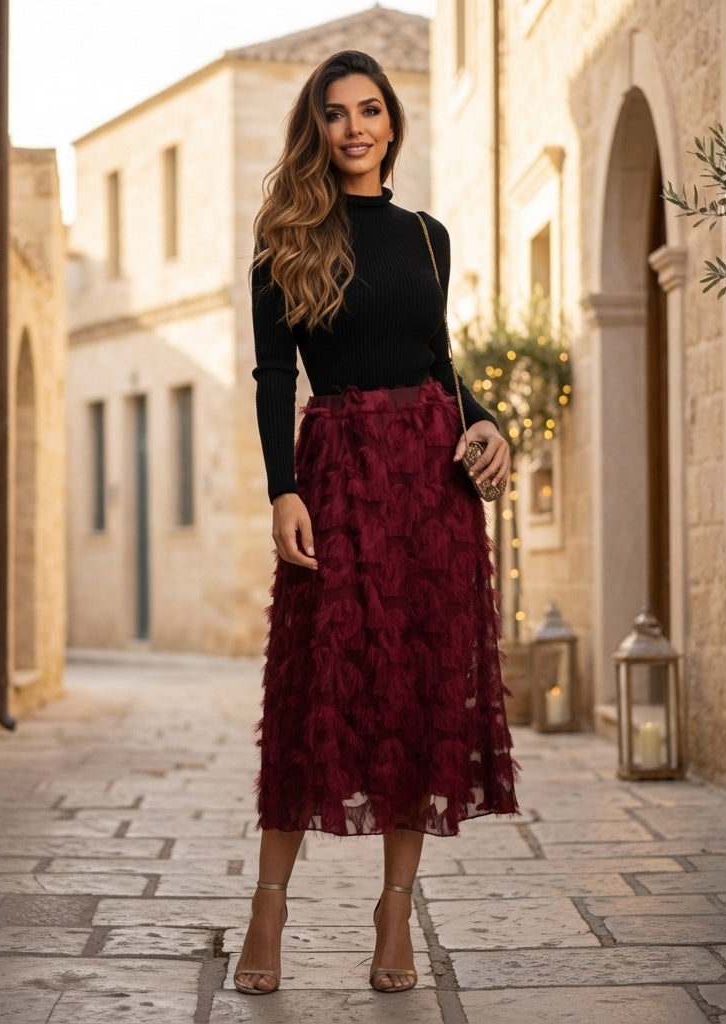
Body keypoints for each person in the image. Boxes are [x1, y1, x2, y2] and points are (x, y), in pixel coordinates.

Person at [235, 49, 520, 997]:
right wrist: (284, 488)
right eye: (336, 112)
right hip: (342, 479)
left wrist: (486, 422)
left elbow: (441, 364)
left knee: (421, 697)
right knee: (314, 693)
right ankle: (268, 908)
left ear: (392, 123)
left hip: (433, 489)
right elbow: (278, 379)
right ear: (317, 127)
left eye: (370, 110)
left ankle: (395, 918)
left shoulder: (429, 237)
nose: (355, 126)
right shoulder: (284, 241)